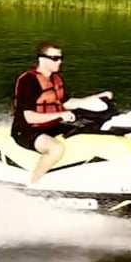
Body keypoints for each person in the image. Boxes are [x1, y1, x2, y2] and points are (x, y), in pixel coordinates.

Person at [11, 40, 111, 185]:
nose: (59, 62)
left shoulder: (55, 79)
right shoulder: (29, 81)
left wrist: (95, 98)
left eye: (61, 58)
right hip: (27, 129)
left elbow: (67, 103)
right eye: (55, 58)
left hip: (51, 126)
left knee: (87, 130)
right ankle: (32, 184)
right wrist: (59, 115)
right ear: (42, 59)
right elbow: (28, 116)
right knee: (56, 148)